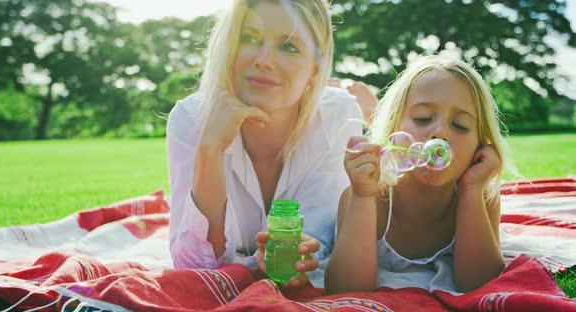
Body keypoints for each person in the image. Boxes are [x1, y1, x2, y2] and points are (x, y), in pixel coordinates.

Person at [167, 0, 362, 289]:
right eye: (249, 38)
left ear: (315, 69)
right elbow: (194, 268)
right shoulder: (191, 118)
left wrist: (297, 255)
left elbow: (320, 246)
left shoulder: (337, 117)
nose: (264, 60)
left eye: (289, 46)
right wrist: (210, 150)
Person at [325, 55, 517, 294]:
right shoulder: (369, 195)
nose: (440, 133)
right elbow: (345, 289)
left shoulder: (480, 197)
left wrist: (471, 190)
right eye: (423, 118)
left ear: (481, 144)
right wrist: (362, 195)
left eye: (460, 125)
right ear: (394, 126)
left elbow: (480, 285)